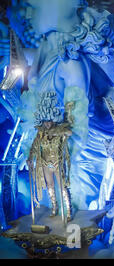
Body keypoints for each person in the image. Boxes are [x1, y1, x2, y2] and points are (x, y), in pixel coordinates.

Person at [27, 92, 74, 222]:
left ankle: (69, 210)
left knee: (62, 186)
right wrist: (30, 158)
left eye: (50, 121)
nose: (47, 124)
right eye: (45, 121)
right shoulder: (40, 134)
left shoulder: (60, 130)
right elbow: (34, 147)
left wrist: (56, 131)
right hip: (45, 163)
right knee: (50, 186)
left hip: (58, 163)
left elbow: (69, 132)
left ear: (54, 119)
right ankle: (54, 207)